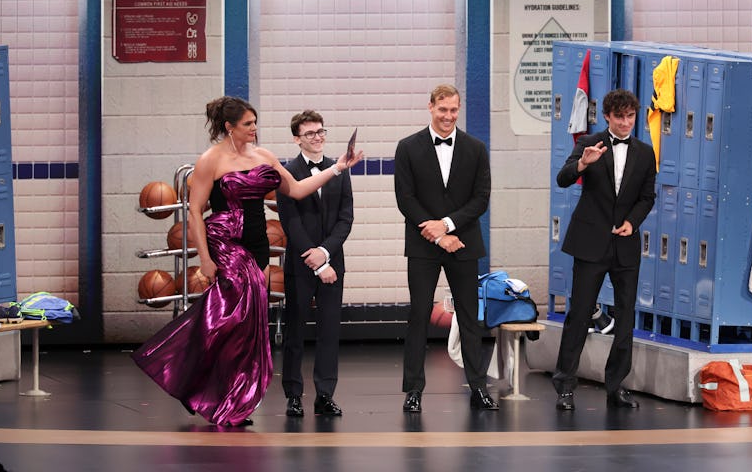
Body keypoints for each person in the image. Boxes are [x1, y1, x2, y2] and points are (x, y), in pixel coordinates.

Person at [132, 96, 363, 427]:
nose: (254, 129)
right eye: (248, 124)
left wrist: (337, 168)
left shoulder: (264, 156)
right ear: (230, 127)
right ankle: (191, 376)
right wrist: (205, 259)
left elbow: (297, 190)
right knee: (230, 321)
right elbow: (195, 211)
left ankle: (232, 400)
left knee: (249, 326)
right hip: (226, 243)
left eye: (255, 123)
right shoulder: (210, 160)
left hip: (257, 244)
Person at [394, 84, 498, 412]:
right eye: (443, 110)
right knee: (419, 315)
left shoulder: (476, 148)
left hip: (463, 242)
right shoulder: (408, 147)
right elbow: (405, 199)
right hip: (424, 245)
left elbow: (481, 198)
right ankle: (413, 390)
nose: (448, 117)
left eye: (454, 110)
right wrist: (438, 235)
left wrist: (448, 226)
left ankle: (478, 388)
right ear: (430, 108)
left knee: (469, 317)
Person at [552, 88, 656, 411]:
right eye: (620, 117)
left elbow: (647, 197)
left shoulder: (645, 152)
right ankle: (565, 386)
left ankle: (616, 386)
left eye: (630, 117)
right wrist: (582, 165)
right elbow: (563, 178)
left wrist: (633, 222)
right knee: (580, 314)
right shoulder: (588, 144)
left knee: (625, 317)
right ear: (608, 116)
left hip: (625, 244)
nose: (626, 123)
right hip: (590, 241)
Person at [276, 110, 354, 418]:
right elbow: (290, 221)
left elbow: (346, 218)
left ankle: (325, 394)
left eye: (321, 131)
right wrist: (313, 256)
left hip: (333, 260)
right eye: (310, 133)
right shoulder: (286, 172)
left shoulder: (339, 169)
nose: (318, 137)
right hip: (300, 263)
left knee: (329, 331)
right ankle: (293, 395)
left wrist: (326, 252)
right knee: (295, 331)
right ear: (297, 138)